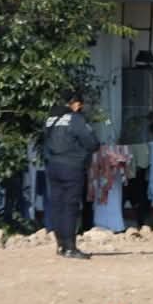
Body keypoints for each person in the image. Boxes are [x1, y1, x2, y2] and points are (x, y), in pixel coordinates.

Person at [43, 88, 99, 259]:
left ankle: (60, 245)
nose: (80, 107)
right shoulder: (75, 119)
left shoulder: (50, 119)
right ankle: (70, 248)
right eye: (79, 104)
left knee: (57, 205)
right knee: (70, 207)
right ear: (74, 104)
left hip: (52, 167)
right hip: (71, 167)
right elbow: (91, 143)